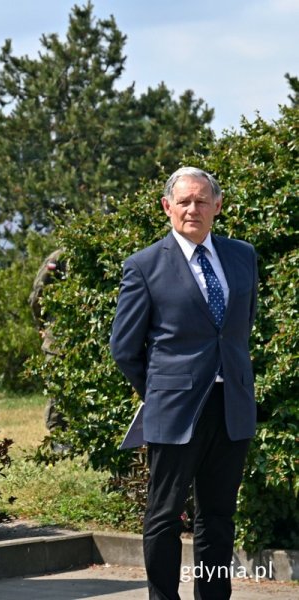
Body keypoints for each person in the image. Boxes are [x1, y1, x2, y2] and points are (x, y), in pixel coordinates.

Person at [110, 166, 258, 599]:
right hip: (174, 410)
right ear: (168, 208)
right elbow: (125, 349)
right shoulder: (144, 266)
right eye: (184, 201)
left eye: (201, 201)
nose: (193, 209)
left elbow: (238, 328)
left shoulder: (242, 255)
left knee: (218, 516)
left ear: (217, 205)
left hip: (230, 403)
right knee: (164, 515)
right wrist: (160, 391)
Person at [28, 248, 67, 435]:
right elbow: (38, 295)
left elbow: (37, 297)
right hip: (58, 336)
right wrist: (42, 326)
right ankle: (58, 435)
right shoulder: (59, 258)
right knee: (58, 389)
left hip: (82, 336)